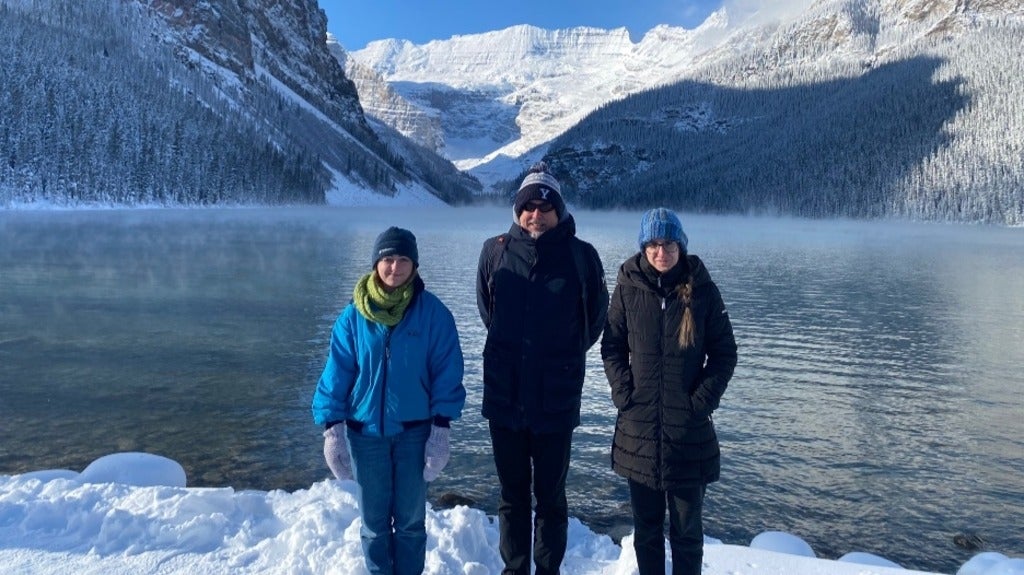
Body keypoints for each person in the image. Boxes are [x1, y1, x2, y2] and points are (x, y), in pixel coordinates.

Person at [476, 162, 609, 575]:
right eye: (528, 206)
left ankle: (547, 570)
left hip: (555, 400)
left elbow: (594, 321)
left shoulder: (581, 256)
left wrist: (560, 359)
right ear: (518, 210)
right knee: (512, 494)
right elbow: (488, 312)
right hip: (505, 396)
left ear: (559, 212)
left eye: (545, 206)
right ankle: (514, 569)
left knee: (551, 497)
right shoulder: (494, 250)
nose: (537, 214)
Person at [311, 226, 466, 575]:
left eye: (403, 260)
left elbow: (447, 372)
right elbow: (337, 372)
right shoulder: (353, 317)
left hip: (415, 434)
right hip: (365, 436)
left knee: (411, 522)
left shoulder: (434, 314)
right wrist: (331, 430)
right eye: (387, 259)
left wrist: (441, 430)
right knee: (373, 524)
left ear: (415, 265)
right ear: (375, 264)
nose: (394, 268)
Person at [601, 208, 737, 575]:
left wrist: (700, 402)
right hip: (639, 431)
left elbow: (725, 353)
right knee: (646, 532)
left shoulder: (702, 290)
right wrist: (623, 395)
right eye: (654, 244)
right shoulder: (628, 286)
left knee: (687, 533)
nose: (662, 252)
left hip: (687, 434)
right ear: (644, 247)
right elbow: (611, 345)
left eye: (670, 244)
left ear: (681, 246)